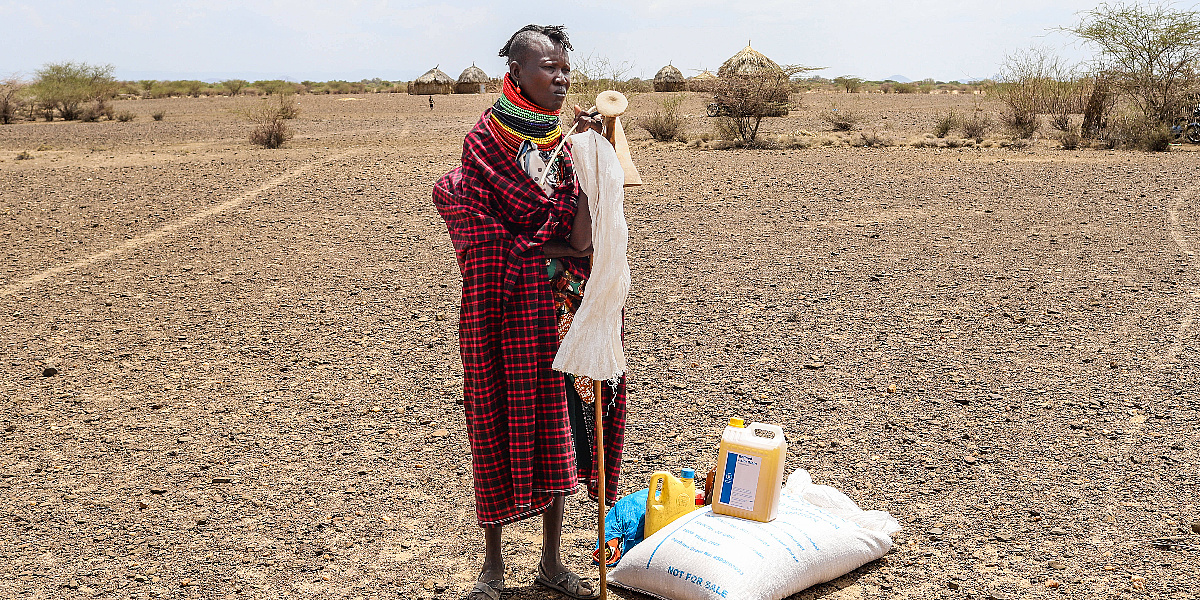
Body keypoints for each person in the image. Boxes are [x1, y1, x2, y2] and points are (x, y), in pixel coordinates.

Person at [432, 24, 627, 600]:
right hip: (505, 306)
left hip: (563, 307)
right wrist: (537, 246)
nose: (562, 78)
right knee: (497, 417)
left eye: (567, 68)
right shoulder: (484, 142)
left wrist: (595, 152)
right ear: (516, 72)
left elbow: (586, 232)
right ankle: (492, 567)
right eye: (549, 68)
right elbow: (465, 213)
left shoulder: (567, 141)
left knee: (561, 423)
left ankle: (551, 561)